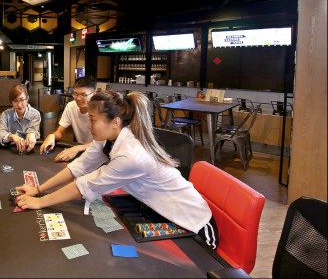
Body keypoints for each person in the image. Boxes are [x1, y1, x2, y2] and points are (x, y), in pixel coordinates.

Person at [15, 90, 218, 250]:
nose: (89, 126)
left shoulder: (130, 155)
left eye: (93, 120)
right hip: (157, 212)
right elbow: (79, 167)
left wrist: (40, 202)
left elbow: (85, 185)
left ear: (115, 122)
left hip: (194, 226)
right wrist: (38, 189)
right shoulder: (107, 139)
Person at [40, 76, 96, 161]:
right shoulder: (71, 106)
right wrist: (52, 136)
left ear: (94, 94)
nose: (78, 98)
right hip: (80, 151)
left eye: (83, 95)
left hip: (96, 153)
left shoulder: (100, 110)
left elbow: (102, 143)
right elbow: (60, 131)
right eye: (75, 94)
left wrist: (77, 148)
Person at [0, 83, 41, 154]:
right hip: (12, 151)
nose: (19, 104)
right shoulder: (6, 114)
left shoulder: (35, 114)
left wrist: (31, 134)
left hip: (31, 150)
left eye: (22, 100)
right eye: (15, 101)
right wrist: (11, 137)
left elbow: (33, 130)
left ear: (27, 99)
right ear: (11, 101)